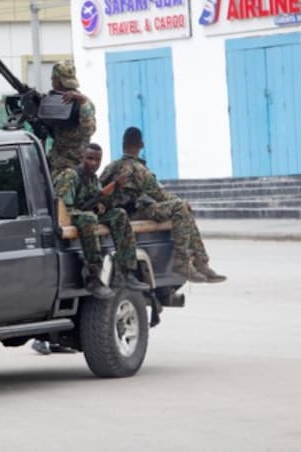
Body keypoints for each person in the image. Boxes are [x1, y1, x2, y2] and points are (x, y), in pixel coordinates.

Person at [32, 143, 149, 355]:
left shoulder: (92, 179)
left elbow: (98, 201)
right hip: (65, 218)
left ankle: (126, 269)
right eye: (89, 159)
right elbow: (64, 208)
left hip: (86, 215)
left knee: (119, 215)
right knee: (87, 218)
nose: (93, 164)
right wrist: (93, 208)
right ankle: (93, 274)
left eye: (97, 160)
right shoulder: (71, 176)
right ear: (81, 157)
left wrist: (110, 194)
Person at [100, 127, 226, 283]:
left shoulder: (110, 167)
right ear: (141, 145)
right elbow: (159, 195)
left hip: (117, 213)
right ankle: (186, 262)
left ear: (123, 144)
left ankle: (200, 262)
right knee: (180, 207)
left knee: (180, 207)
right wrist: (180, 202)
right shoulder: (138, 169)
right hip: (133, 213)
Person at [48, 61, 96, 178]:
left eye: (53, 78)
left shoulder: (82, 102)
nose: (51, 80)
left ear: (57, 80)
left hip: (72, 168)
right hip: (55, 164)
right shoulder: (54, 99)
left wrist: (82, 101)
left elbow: (89, 130)